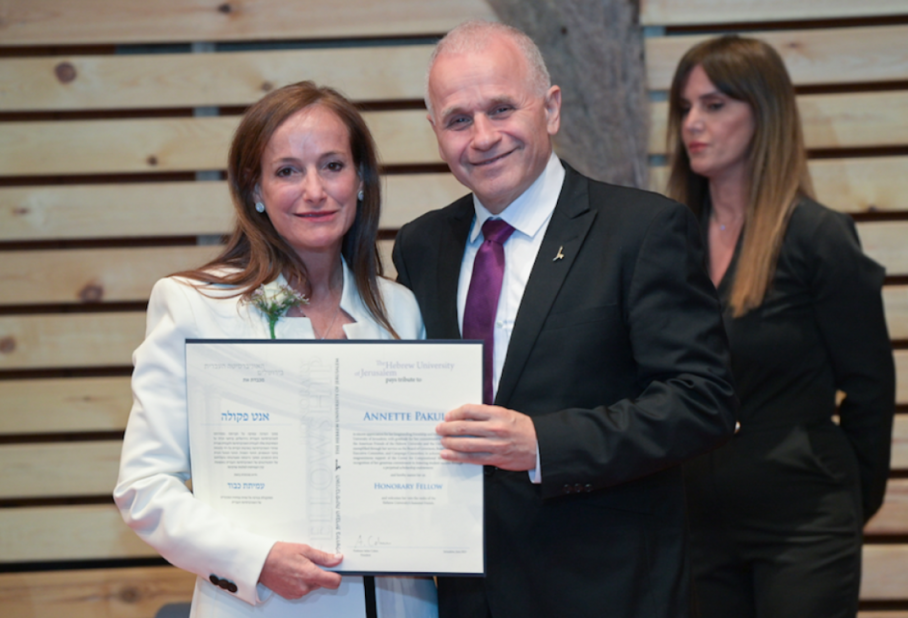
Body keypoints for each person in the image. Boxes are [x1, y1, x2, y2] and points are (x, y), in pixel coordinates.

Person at [392, 21, 738, 618]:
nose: (482, 137)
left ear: (550, 109)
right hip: (463, 593)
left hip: (604, 588)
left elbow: (703, 402)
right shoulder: (422, 246)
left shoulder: (642, 231)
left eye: (502, 108)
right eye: (457, 119)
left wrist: (544, 444)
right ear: (435, 132)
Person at [113, 81, 437, 618]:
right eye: (288, 170)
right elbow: (144, 488)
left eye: (333, 166)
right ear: (255, 190)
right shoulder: (194, 305)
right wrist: (257, 559)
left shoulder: (401, 308)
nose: (315, 190)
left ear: (361, 181)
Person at [665, 35, 896, 618]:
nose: (693, 123)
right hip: (697, 525)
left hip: (803, 524)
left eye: (715, 105)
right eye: (685, 107)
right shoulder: (667, 242)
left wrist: (842, 504)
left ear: (764, 113)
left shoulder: (817, 237)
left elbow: (872, 390)